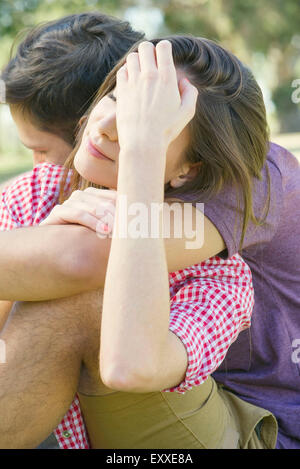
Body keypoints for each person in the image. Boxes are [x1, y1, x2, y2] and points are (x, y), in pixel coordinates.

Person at [0, 36, 282, 449]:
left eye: (148, 121)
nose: (110, 126)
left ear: (188, 170)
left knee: (84, 294)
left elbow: (129, 367)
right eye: (118, 97)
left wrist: (143, 153)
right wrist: (42, 240)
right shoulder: (37, 191)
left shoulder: (220, 278)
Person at [0, 10, 145, 449]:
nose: (36, 166)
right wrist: (40, 243)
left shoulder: (170, 203)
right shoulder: (28, 195)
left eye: (41, 149)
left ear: (94, 131)